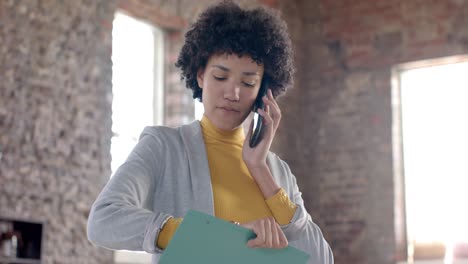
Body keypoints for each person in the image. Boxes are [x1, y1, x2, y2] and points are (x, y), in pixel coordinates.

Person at [87, 1, 333, 263]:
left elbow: (320, 258)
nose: (233, 93)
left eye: (248, 82)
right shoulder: (163, 148)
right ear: (201, 75)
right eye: (220, 77)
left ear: (263, 91)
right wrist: (226, 235)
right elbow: (103, 220)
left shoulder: (277, 171)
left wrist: (259, 168)